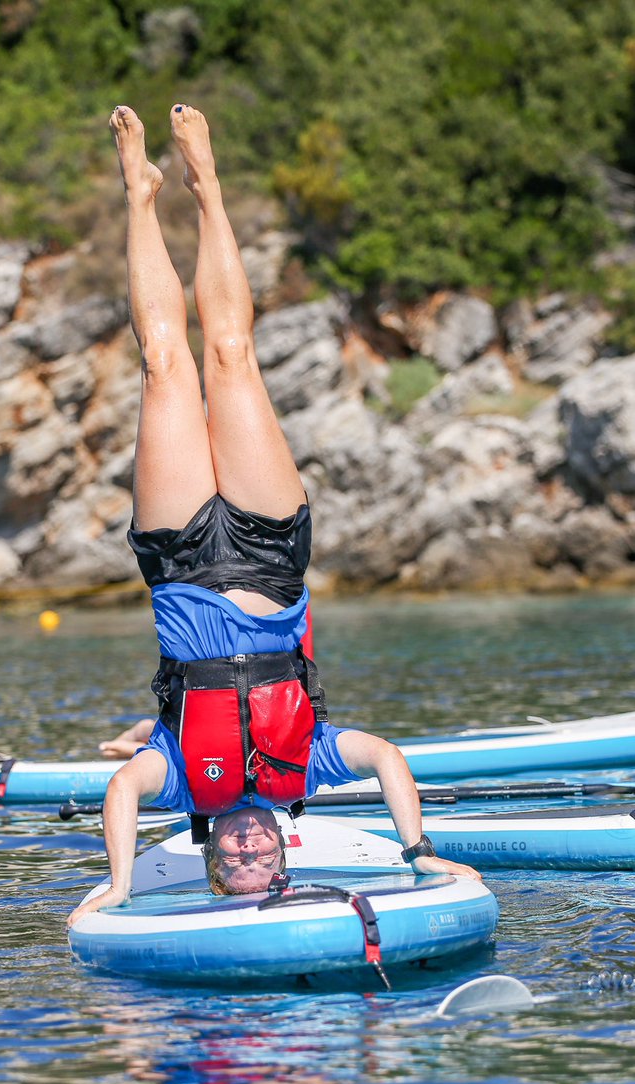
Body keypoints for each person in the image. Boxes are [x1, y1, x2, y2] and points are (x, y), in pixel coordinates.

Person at [67, 103, 480, 926]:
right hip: (266, 557)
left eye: (234, 858)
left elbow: (122, 792)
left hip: (181, 560)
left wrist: (118, 883)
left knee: (163, 365)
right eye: (261, 856)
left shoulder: (179, 778)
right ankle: (208, 185)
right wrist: (415, 847)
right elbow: (387, 758)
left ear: (212, 854)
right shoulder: (309, 770)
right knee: (230, 357)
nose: (249, 847)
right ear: (285, 849)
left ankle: (140, 191)